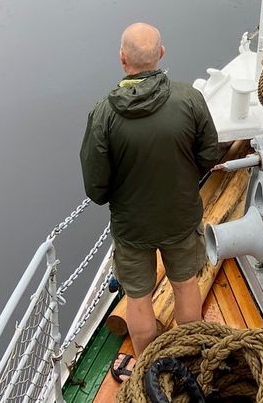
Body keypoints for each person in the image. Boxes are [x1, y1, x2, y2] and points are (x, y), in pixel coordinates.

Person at [80, 23, 220, 379]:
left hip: (132, 226)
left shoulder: (103, 116)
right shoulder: (189, 99)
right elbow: (208, 155)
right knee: (186, 285)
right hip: (180, 217)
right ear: (161, 54)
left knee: (138, 298)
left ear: (122, 59)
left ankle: (149, 369)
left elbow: (96, 189)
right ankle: (189, 357)